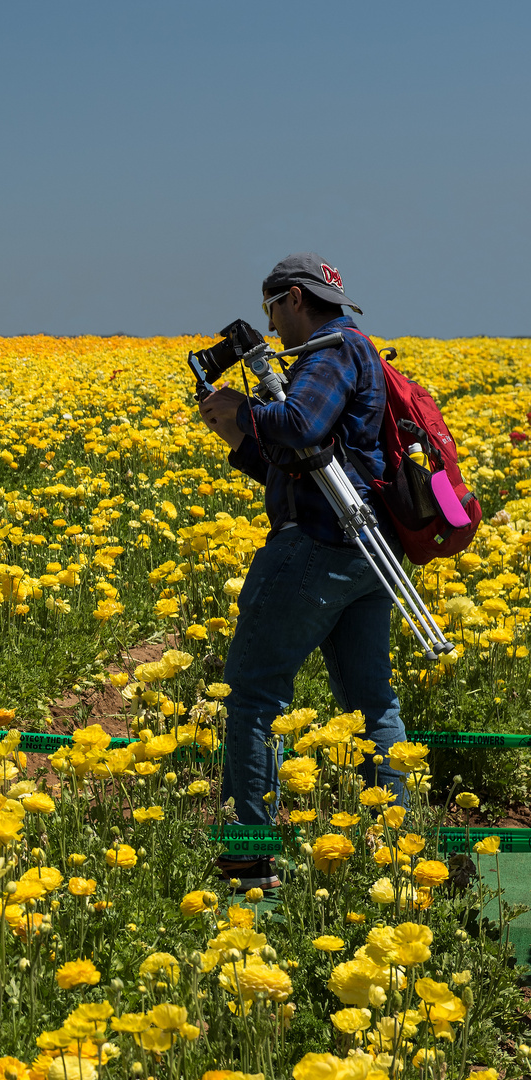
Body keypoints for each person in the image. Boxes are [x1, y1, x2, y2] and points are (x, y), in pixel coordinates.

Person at [197, 253, 409, 891]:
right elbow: (299, 463)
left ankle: (251, 859)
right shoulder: (355, 349)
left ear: (291, 298)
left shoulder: (330, 351)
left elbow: (300, 424)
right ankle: (392, 848)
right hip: (364, 550)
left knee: (253, 694)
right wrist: (238, 441)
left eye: (272, 310)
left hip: (318, 546)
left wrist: (242, 412)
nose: (273, 327)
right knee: (371, 701)